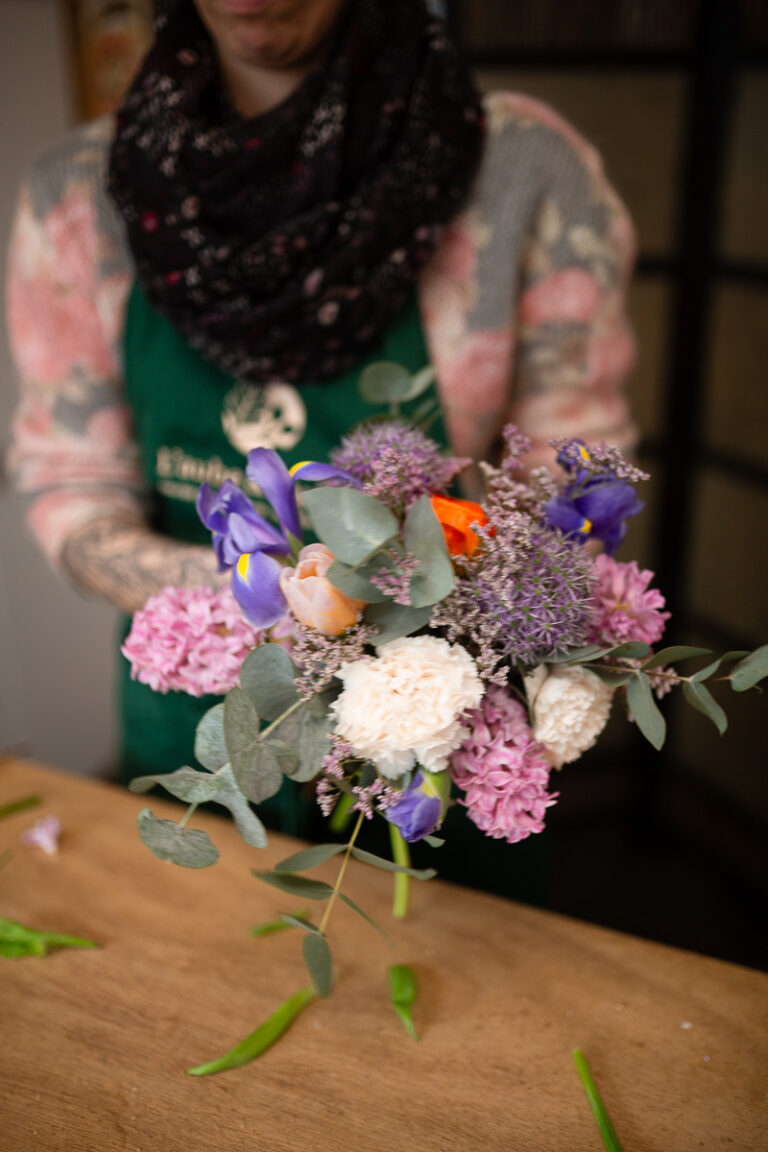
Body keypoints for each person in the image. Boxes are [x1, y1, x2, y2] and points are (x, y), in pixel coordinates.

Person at [7, 0, 636, 871]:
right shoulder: (80, 191)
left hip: (434, 726)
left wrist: (429, 629)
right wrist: (275, 604)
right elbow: (66, 476)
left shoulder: (519, 164)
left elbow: (579, 468)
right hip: (195, 732)